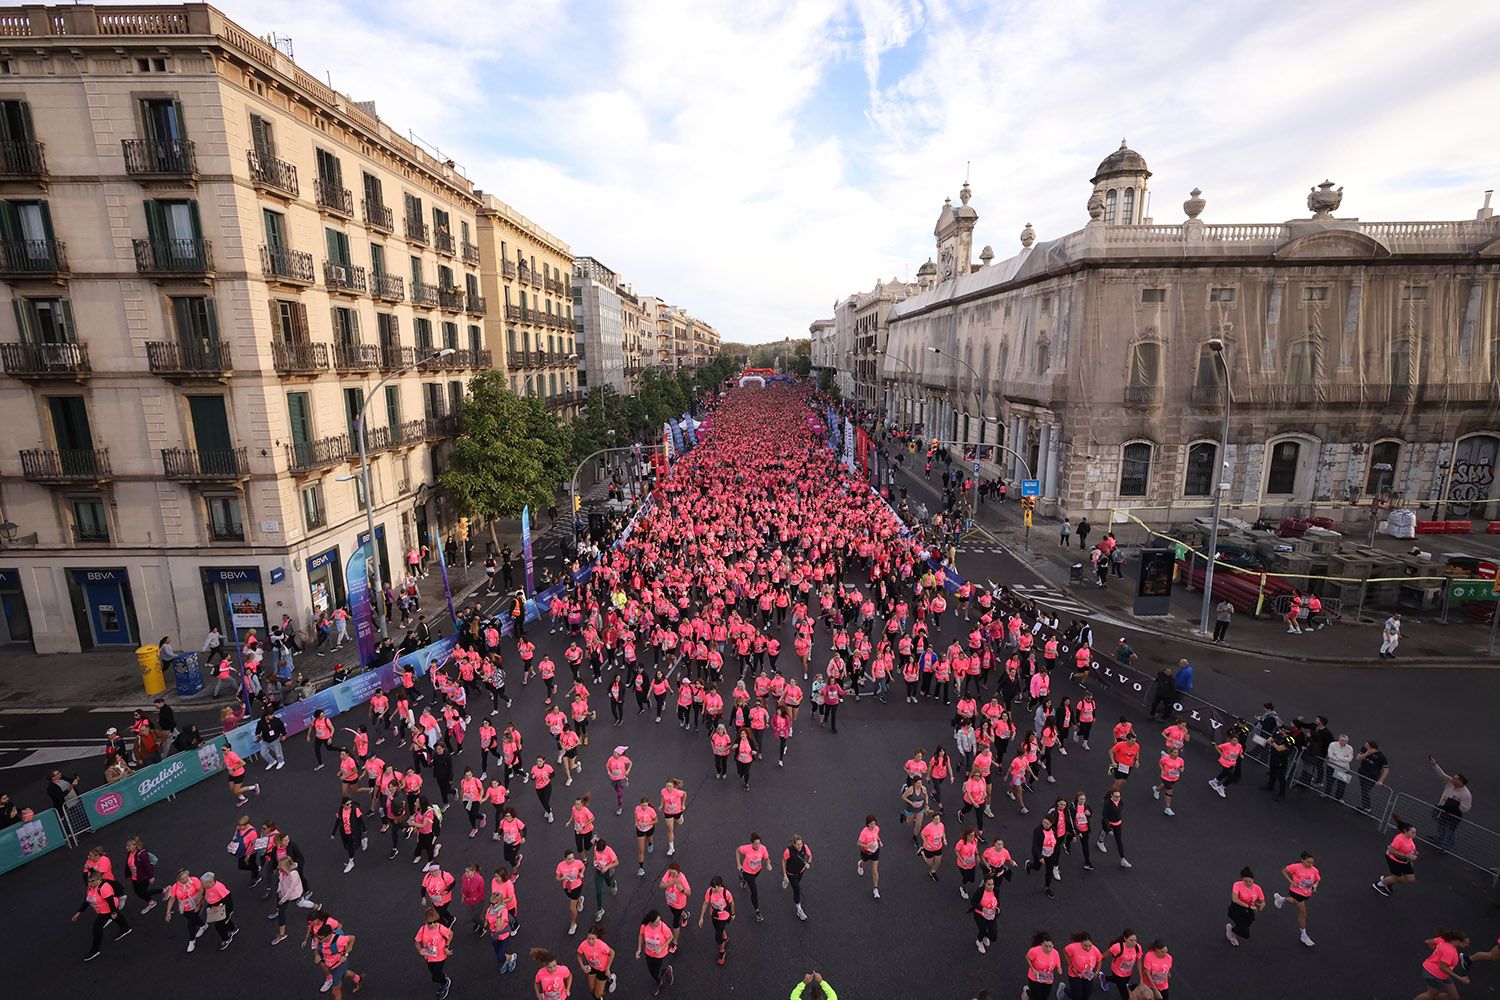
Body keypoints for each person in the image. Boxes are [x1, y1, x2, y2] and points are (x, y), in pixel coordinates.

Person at [73, 870, 131, 961]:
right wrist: (79, 912)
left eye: (92, 881)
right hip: (102, 909)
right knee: (117, 918)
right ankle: (126, 928)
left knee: (97, 928)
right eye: (89, 881)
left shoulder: (104, 888)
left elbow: (110, 901)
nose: (90, 883)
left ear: (99, 879)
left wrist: (113, 912)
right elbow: (87, 899)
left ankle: (95, 950)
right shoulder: (90, 887)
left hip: (107, 910)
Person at [1272, 850, 1320, 947]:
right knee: (1303, 914)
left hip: (1307, 893)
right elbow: (1284, 871)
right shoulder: (1296, 867)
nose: (1311, 864)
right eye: (1308, 862)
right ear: (1302, 860)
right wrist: (1291, 881)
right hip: (1296, 892)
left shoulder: (1314, 870)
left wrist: (1315, 885)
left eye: (1312, 862)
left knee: (1294, 902)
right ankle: (1304, 935)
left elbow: (1317, 880)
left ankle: (1281, 899)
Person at [1429, 756, 1472, 852]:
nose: (1452, 779)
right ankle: (1439, 838)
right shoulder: (1451, 782)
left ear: (1461, 782)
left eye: (1455, 778)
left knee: (1449, 830)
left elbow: (1465, 808)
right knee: (1440, 825)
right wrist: (1434, 764)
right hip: (1442, 808)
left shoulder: (1466, 794)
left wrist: (1453, 803)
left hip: (1453, 814)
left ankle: (1446, 847)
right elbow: (1442, 774)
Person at [1415, 930, 1471, 1000]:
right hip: (1433, 974)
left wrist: (1439, 951)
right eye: (1466, 943)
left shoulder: (1443, 939)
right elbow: (1442, 967)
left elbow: (1428, 941)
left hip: (1442, 974)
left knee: (1454, 997)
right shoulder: (1450, 952)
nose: (1467, 945)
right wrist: (1460, 978)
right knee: (1430, 996)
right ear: (1457, 941)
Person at [1373, 817, 1418, 897]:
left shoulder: (1409, 837)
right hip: (1394, 860)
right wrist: (1406, 855)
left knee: (1411, 880)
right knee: (1397, 877)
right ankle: (1380, 884)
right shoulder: (1399, 839)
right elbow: (1391, 850)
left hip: (1405, 861)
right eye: (1413, 832)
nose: (1415, 835)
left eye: (1415, 832)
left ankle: (1388, 881)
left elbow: (1410, 846)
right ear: (1405, 831)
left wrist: (1414, 851)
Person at [415, 907, 453, 999]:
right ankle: (442, 978)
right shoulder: (423, 929)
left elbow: (450, 934)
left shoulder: (440, 928)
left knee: (436, 973)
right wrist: (420, 950)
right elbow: (416, 941)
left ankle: (445, 983)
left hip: (440, 955)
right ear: (426, 921)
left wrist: (447, 946)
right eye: (430, 923)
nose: (432, 925)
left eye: (434, 922)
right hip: (429, 956)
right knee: (433, 973)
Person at [697, 874, 735, 966]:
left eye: (715, 888)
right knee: (718, 929)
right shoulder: (709, 891)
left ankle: (722, 952)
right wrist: (701, 917)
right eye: (712, 887)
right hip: (714, 915)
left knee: (718, 937)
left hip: (724, 916)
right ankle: (725, 937)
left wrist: (733, 913)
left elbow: (731, 903)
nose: (713, 889)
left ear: (720, 885)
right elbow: (706, 903)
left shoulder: (726, 893)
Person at [636, 910, 675, 996]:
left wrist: (661, 948)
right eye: (657, 921)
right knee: (651, 971)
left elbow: (671, 937)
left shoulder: (662, 926)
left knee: (656, 972)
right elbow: (641, 935)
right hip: (649, 952)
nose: (659, 922)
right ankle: (664, 973)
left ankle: (660, 981)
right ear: (651, 922)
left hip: (660, 954)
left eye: (659, 920)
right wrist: (639, 949)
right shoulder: (645, 926)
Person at [1226, 867, 1265, 946]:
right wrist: (1248, 906)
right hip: (1237, 909)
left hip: (1249, 912)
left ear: (1253, 879)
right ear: (1242, 879)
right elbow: (1235, 899)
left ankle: (1233, 931)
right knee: (1245, 934)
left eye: (1250, 881)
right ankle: (1231, 932)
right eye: (1245, 881)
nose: (1248, 883)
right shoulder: (1237, 884)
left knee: (1245, 926)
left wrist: (1261, 906)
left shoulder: (1257, 888)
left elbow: (1263, 902)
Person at [576, 924, 617, 998]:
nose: (590, 941)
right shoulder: (583, 945)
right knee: (592, 990)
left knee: (597, 994)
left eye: (592, 938)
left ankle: (611, 980)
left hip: (603, 969)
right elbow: (579, 955)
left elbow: (612, 953)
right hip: (592, 967)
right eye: (588, 938)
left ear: (596, 937)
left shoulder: (601, 945)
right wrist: (582, 966)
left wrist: (608, 968)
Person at [781, 833, 813, 921]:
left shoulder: (805, 847)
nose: (800, 846)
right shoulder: (788, 851)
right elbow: (783, 862)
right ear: (794, 844)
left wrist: (808, 863)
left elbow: (810, 855)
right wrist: (784, 874)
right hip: (790, 873)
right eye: (798, 844)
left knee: (796, 884)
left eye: (801, 844)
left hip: (801, 871)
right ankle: (799, 910)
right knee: (797, 889)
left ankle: (788, 881)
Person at [1063, 930, 1103, 998]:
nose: (1088, 948)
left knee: (1086, 996)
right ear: (1080, 943)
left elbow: (1099, 961)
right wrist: (1071, 966)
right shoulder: (1073, 947)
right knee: (1077, 997)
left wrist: (1096, 972)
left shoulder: (1095, 950)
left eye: (1090, 946)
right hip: (1075, 975)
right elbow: (1065, 951)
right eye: (1085, 946)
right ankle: (1064, 989)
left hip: (1087, 975)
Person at [1025, 930, 1062, 999]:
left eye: (1050, 946)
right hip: (1035, 977)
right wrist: (1033, 969)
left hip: (1047, 979)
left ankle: (1027, 992)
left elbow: (1058, 964)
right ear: (1042, 944)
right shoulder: (1035, 951)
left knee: (1044, 997)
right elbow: (1027, 957)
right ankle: (1027, 991)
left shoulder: (1055, 953)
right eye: (1046, 946)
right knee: (1036, 997)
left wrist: (1059, 969)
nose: (1048, 949)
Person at [1355, 740, 1390, 812]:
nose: (1365, 746)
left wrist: (1381, 780)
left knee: (1365, 791)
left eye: (1367, 746)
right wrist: (1367, 753)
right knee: (1363, 790)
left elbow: (1386, 770)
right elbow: (1358, 758)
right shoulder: (1365, 749)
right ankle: (1364, 806)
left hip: (1372, 777)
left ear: (1373, 748)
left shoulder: (1381, 757)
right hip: (1362, 774)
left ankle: (1367, 808)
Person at [856, 815, 882, 900]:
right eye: (871, 824)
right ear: (867, 824)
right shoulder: (864, 832)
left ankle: (875, 889)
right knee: (865, 863)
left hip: (875, 851)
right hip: (866, 852)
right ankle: (860, 864)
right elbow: (859, 843)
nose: (873, 826)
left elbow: (876, 835)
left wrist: (879, 841)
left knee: (875, 871)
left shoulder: (876, 828)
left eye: (874, 823)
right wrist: (867, 845)